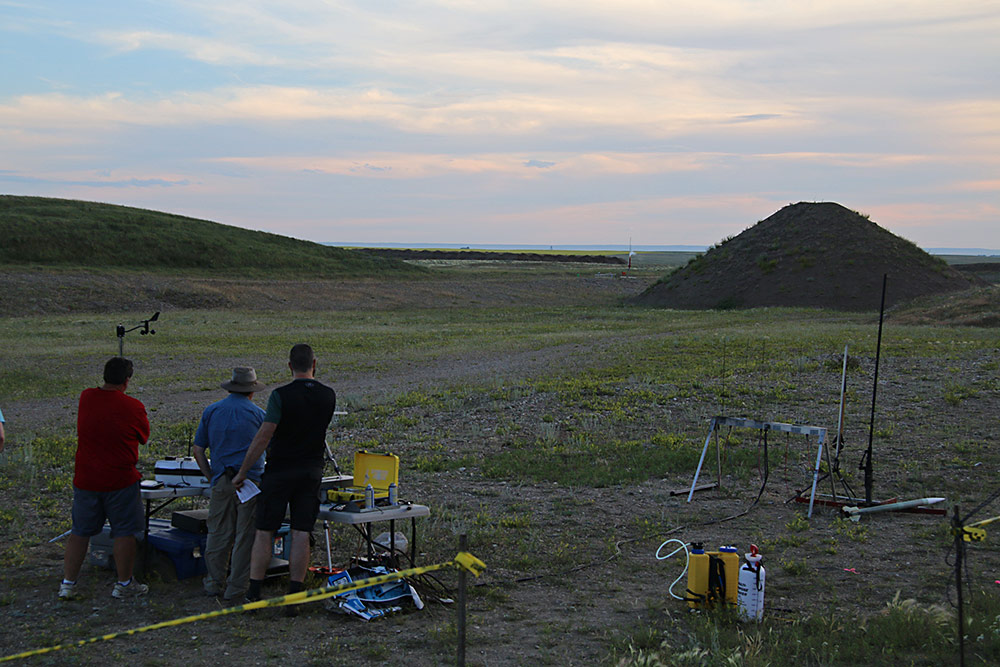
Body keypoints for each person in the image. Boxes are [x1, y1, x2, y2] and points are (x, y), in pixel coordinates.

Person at [233, 344, 336, 609]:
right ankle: (295, 594)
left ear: (289, 366)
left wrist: (243, 471)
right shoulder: (328, 396)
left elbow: (264, 435)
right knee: (301, 531)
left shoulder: (280, 396)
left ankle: (255, 591)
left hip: (279, 470)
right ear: (315, 363)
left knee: (265, 530)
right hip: (311, 470)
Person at [60, 357, 150, 600]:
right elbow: (143, 436)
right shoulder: (133, 407)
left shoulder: (86, 397)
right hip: (119, 479)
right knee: (124, 532)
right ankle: (123, 583)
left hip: (86, 478)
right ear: (127, 381)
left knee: (80, 531)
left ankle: (68, 583)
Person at [191, 367, 267, 601]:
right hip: (250, 483)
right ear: (252, 391)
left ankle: (213, 582)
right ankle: (236, 587)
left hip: (221, 480)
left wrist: (210, 476)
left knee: (218, 534)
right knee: (245, 537)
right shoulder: (259, 415)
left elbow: (198, 449)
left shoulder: (212, 411)